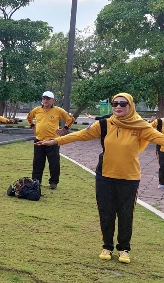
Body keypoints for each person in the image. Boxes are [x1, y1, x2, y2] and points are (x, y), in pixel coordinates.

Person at [35, 93, 164, 263]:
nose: (118, 106)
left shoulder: (140, 126)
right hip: (105, 176)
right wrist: (56, 141)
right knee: (106, 212)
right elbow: (80, 135)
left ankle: (124, 249)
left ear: (130, 106)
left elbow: (160, 138)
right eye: (115, 103)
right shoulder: (104, 124)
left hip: (129, 178)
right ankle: (107, 247)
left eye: (123, 104)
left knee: (126, 214)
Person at [26, 91, 75, 189]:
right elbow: (29, 117)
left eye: (48, 99)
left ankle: (53, 182)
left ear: (53, 100)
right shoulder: (37, 110)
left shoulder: (58, 110)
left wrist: (64, 129)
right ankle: (36, 181)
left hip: (53, 141)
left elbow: (70, 119)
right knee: (37, 162)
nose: (45, 101)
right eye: (44, 98)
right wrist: (33, 126)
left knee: (54, 163)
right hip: (39, 140)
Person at [150, 115, 164, 190]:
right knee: (162, 165)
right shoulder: (159, 121)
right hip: (161, 148)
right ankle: (162, 182)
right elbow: (148, 128)